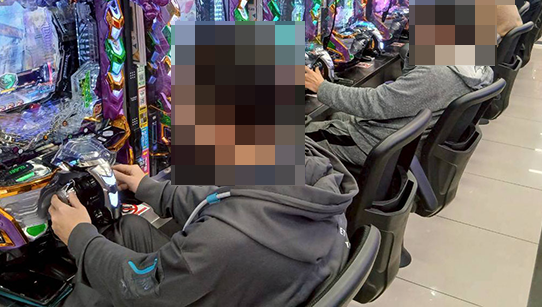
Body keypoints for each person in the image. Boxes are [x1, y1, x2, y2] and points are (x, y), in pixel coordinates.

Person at [49, 139, 358, 307]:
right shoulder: (314, 176)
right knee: (127, 229)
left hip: (229, 278)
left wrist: (79, 236)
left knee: (95, 280)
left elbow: (143, 288)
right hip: (264, 288)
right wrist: (152, 189)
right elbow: (231, 198)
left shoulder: (222, 241)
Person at [305, 64, 493, 166]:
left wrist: (321, 86)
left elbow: (374, 104)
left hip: (375, 144)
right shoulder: (477, 67)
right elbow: (407, 83)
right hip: (403, 138)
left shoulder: (436, 73)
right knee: (337, 115)